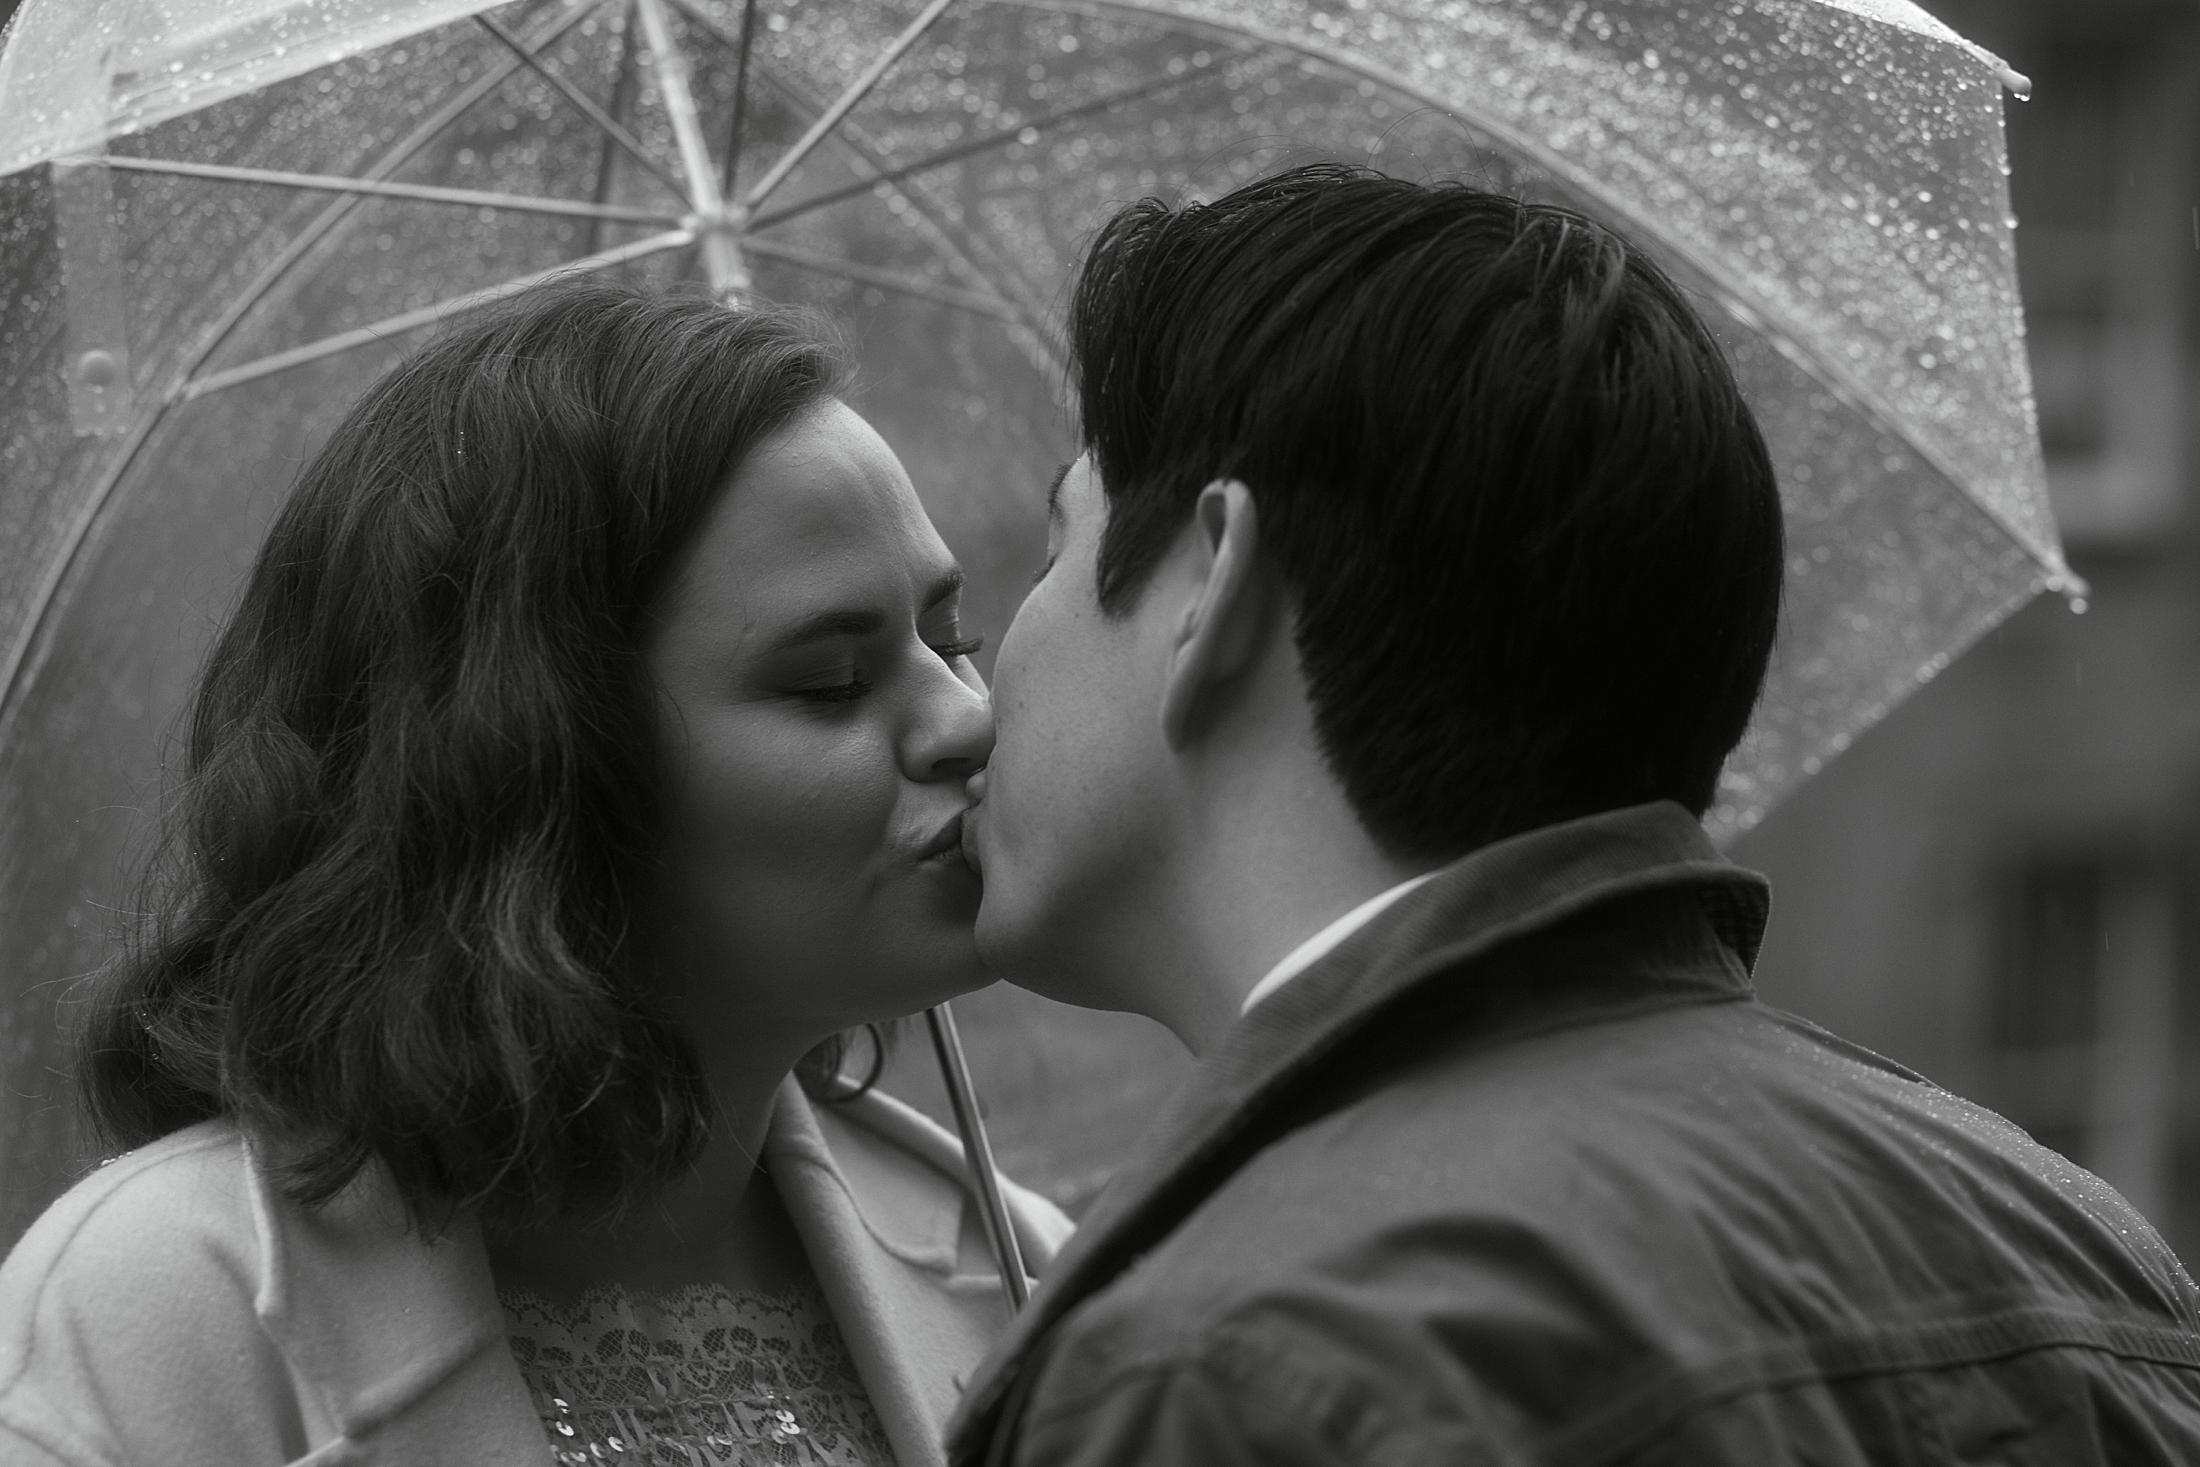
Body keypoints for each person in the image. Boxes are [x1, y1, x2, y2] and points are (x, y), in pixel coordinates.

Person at [948, 164, 2200, 1465]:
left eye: (1052, 547)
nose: (974, 673)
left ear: (1214, 574)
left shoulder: (1229, 1364)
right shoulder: (2085, 1251)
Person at [0, 280, 1068, 1467]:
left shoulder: (1019, 1269)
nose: (967, 721)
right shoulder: (154, 1311)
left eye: (949, 638)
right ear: (529, 769)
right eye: (828, 682)